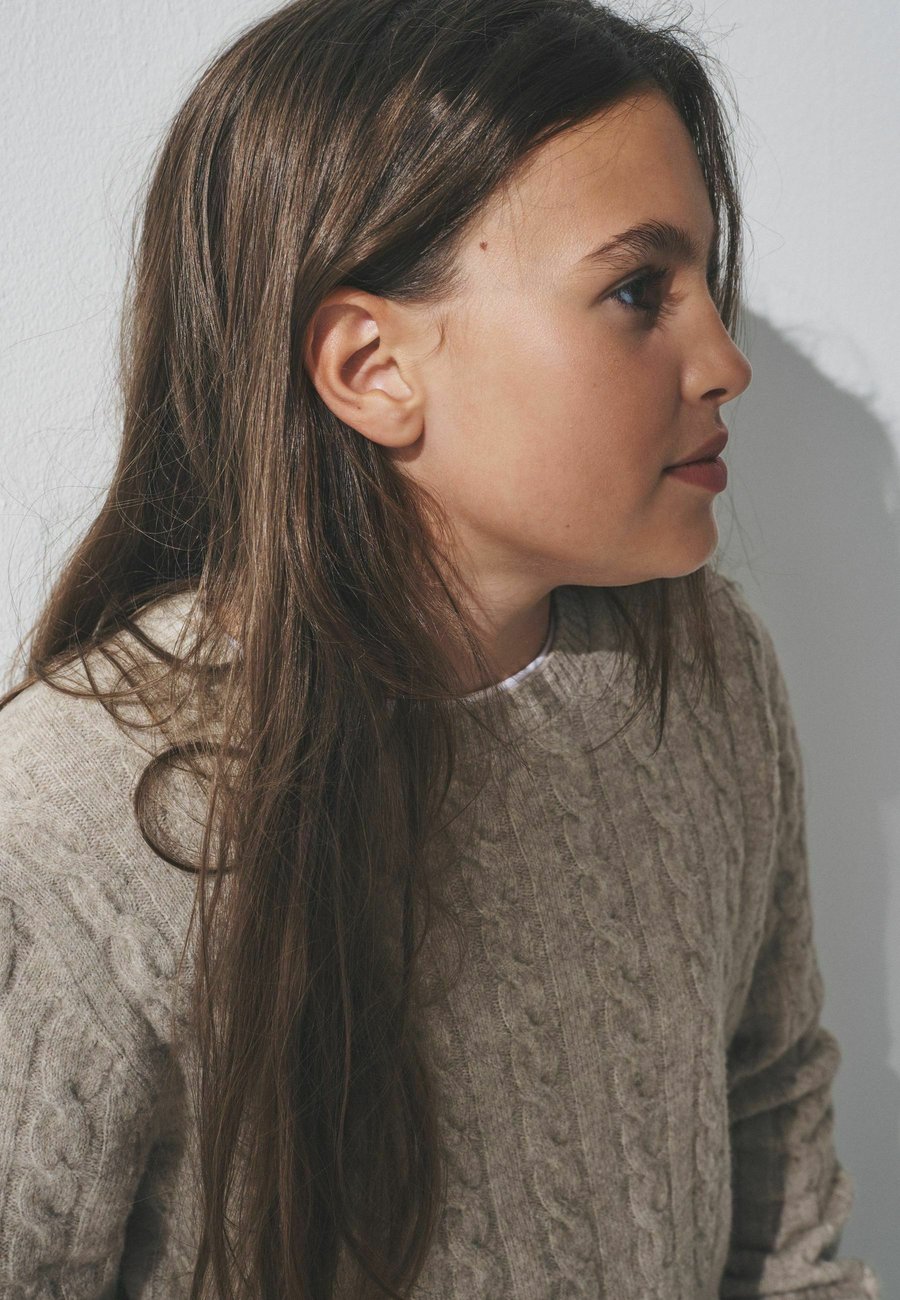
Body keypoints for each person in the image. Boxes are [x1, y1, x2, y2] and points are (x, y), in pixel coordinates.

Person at [0, 0, 883, 1296]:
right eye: (638, 290)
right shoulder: (72, 824)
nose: (722, 362)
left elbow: (774, 1151)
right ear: (372, 367)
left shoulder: (701, 675)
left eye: (705, 280)